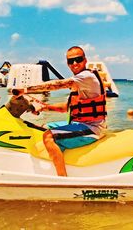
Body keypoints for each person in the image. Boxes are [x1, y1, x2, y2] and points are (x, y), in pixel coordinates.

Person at [13, 46, 107, 176]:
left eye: (78, 59)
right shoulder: (79, 84)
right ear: (67, 63)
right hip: (79, 125)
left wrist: (25, 90)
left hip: (92, 128)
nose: (74, 63)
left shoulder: (86, 77)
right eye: (70, 61)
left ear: (85, 60)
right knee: (43, 128)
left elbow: (57, 84)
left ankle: (62, 179)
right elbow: (65, 108)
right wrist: (45, 107)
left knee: (48, 136)